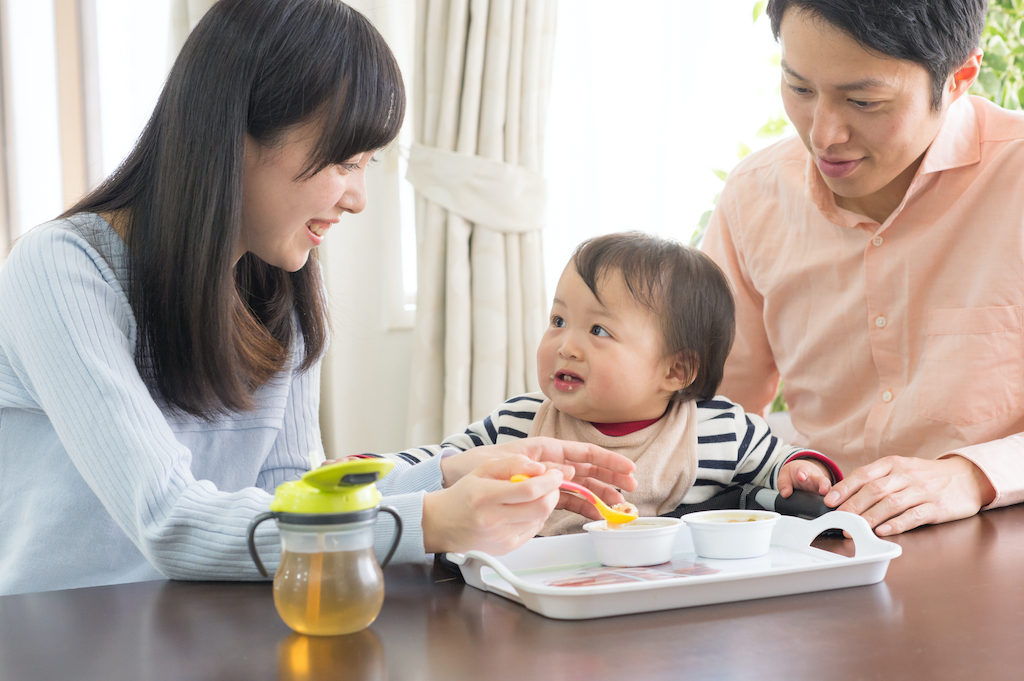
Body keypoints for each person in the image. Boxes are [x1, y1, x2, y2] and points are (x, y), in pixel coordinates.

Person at [0, 0, 636, 597]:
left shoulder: (280, 280)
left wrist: (448, 474)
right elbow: (171, 522)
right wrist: (431, 521)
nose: (357, 197)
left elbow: (292, 493)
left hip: (206, 632)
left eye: (368, 164)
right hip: (61, 640)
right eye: (343, 161)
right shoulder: (62, 269)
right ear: (234, 135)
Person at [702, 0, 1024, 537]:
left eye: (864, 101)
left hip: (998, 537)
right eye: (800, 89)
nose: (824, 135)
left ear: (960, 77)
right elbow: (714, 408)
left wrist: (970, 476)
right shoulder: (753, 196)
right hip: (820, 542)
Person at [367, 233, 840, 535]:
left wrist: (803, 472)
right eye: (557, 320)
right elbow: (439, 465)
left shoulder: (720, 429)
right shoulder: (521, 424)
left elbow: (782, 466)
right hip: (545, 599)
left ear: (676, 371)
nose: (565, 346)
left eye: (598, 331)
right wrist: (371, 470)